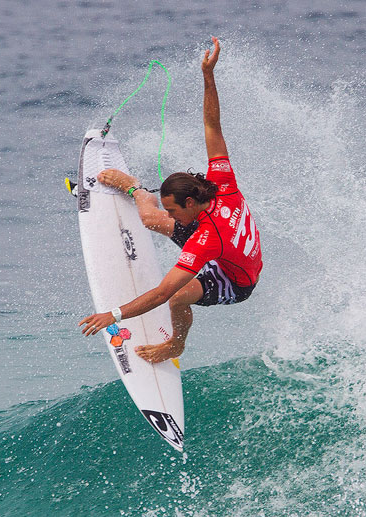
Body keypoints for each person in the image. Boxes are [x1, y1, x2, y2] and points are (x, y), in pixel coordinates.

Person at [79, 37, 262, 363]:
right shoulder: (222, 182)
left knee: (178, 296)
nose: (173, 218)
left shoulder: (206, 238)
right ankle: (136, 188)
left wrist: (114, 315)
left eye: (174, 211)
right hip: (225, 243)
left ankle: (176, 344)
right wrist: (208, 75)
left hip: (236, 280)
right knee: (150, 220)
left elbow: (162, 293)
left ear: (191, 202)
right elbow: (212, 124)